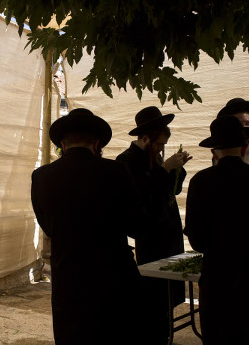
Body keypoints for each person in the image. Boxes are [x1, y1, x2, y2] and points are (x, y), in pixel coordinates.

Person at [31, 108, 146, 345]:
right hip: (112, 277)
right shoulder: (115, 171)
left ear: (62, 144)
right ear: (96, 144)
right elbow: (137, 225)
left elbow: (48, 226)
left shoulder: (41, 176)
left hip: (67, 277)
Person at [184, 116, 249, 345]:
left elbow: (197, 239)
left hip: (220, 280)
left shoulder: (201, 181)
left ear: (214, 152)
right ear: (244, 147)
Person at [116, 106, 192, 344]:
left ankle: (164, 326)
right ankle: (155, 333)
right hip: (150, 234)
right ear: (145, 138)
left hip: (169, 229)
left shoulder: (156, 157)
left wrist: (176, 170)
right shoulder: (125, 161)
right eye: (159, 144)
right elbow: (138, 196)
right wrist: (165, 169)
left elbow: (171, 189)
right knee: (155, 289)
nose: (161, 149)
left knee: (171, 289)